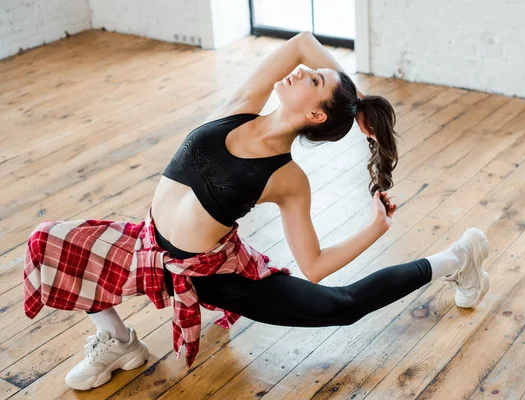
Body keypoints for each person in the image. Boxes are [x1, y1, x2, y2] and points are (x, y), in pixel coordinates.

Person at [23, 31, 490, 391]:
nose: (301, 71)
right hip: (147, 244)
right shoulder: (242, 106)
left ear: (316, 116)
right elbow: (302, 42)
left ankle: (456, 260)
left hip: (212, 273)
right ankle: (121, 343)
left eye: (312, 80)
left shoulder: (288, 180)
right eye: (310, 72)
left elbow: (314, 266)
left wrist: (376, 226)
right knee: (51, 241)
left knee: (342, 309)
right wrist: (359, 98)